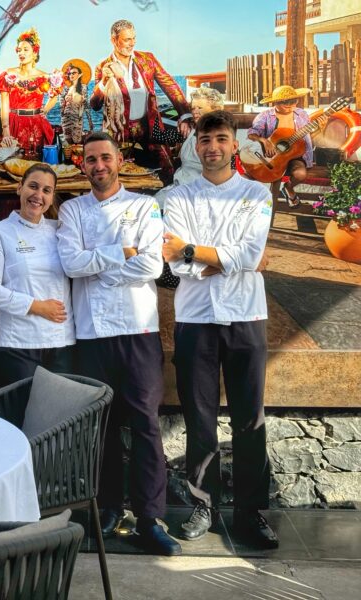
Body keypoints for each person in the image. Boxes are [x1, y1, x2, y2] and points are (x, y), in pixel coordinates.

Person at [57, 131, 180, 556]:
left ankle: (151, 517)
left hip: (137, 330)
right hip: (90, 334)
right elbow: (71, 265)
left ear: (119, 161)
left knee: (146, 424)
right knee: (102, 429)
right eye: (90, 159)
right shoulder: (71, 209)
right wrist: (121, 253)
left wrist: (103, 263)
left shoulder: (145, 205)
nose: (98, 166)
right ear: (82, 165)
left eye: (105, 158)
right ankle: (108, 508)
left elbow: (151, 263)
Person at [162, 110, 278, 549]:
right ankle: (202, 505)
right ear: (196, 145)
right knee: (200, 419)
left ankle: (252, 513)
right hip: (195, 320)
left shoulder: (257, 193)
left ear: (235, 145)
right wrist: (214, 258)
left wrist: (195, 252)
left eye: (221, 139)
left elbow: (252, 255)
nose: (212, 147)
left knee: (250, 420)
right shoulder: (177, 197)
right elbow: (173, 262)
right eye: (205, 139)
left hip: (247, 317)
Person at [0, 163, 74, 389]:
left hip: (61, 342)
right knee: (18, 418)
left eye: (46, 190)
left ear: (52, 198)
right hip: (17, 344)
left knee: (58, 418)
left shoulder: (61, 230)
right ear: (19, 188)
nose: (38, 195)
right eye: (33, 186)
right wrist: (37, 306)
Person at [90, 20, 192, 183]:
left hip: (151, 128)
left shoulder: (148, 59)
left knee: (166, 173)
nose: (132, 43)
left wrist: (185, 115)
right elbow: (95, 105)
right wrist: (104, 79)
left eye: (134, 38)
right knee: (118, 179)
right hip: (119, 134)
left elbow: (169, 84)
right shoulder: (102, 66)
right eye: (127, 39)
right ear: (114, 40)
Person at [247, 85, 326, 209]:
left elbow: (307, 137)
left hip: (295, 155)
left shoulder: (301, 114)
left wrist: (320, 127)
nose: (290, 104)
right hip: (272, 157)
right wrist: (264, 141)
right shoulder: (265, 116)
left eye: (293, 101)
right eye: (285, 102)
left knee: (300, 174)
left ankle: (288, 187)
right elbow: (252, 134)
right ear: (275, 102)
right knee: (251, 176)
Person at [0, 28, 62, 160]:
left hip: (37, 124)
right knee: (14, 161)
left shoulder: (44, 76)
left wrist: (46, 109)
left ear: (35, 52)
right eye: (19, 50)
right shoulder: (8, 75)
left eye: (26, 49)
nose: (21, 53)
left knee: (38, 162)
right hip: (15, 122)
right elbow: (4, 104)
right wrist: (5, 129)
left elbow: (55, 95)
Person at [61, 58, 92, 144]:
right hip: (65, 119)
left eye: (74, 73)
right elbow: (62, 106)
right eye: (70, 73)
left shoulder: (83, 87)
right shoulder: (67, 89)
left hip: (76, 119)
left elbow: (86, 104)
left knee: (77, 142)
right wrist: (65, 101)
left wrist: (90, 122)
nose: (71, 75)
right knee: (68, 144)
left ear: (79, 74)